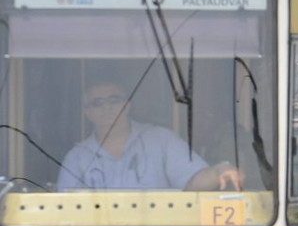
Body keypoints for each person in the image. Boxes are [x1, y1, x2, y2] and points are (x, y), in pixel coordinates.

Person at [57, 81, 242, 191]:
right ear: (87, 112)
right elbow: (64, 210)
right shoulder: (77, 157)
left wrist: (220, 171)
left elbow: (193, 180)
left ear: (128, 105)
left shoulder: (160, 139)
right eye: (97, 103)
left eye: (114, 100)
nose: (107, 107)